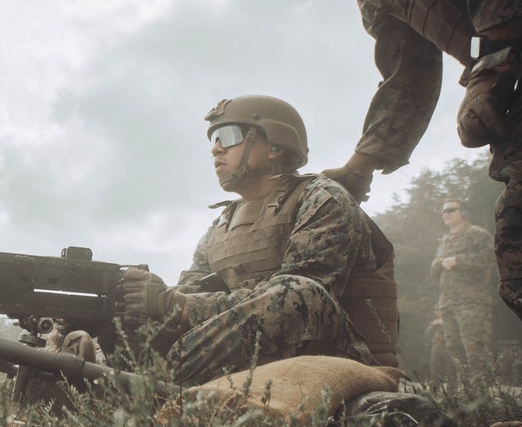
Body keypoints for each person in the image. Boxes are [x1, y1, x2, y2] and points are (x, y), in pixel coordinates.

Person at [121, 95, 398, 387]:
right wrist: (143, 301)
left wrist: (176, 304)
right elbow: (192, 290)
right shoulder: (221, 226)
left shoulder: (322, 198)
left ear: (276, 146)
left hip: (336, 353)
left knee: (301, 292)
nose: (216, 149)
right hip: (251, 355)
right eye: (214, 139)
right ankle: (110, 370)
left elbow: (304, 303)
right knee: (136, 315)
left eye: (228, 136)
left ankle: (159, 382)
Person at [320, 0, 522, 200]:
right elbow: (409, 60)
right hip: (505, 68)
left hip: (504, 53)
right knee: (518, 208)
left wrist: (493, 55)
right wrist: (362, 164)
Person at [430, 198, 495, 379]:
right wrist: (439, 263)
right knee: (454, 348)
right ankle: (468, 395)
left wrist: (458, 261)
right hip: (448, 303)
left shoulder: (477, 234)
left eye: (451, 210)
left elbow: (490, 257)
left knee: (475, 348)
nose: (446, 214)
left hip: (472, 302)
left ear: (463, 212)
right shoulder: (444, 241)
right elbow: (433, 270)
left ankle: (482, 396)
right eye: (443, 211)